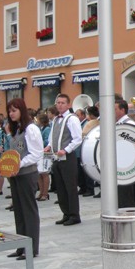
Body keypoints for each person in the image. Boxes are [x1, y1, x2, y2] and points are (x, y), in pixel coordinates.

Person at [5, 98, 44, 260]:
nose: (11, 114)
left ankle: (32, 247)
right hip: (16, 175)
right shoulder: (16, 130)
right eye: (9, 111)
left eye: (14, 110)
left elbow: (36, 153)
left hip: (27, 174)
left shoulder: (31, 129)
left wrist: (18, 164)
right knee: (19, 211)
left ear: (22, 110)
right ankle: (21, 245)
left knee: (29, 211)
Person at [46, 94, 83, 226]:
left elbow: (78, 138)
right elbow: (52, 136)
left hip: (68, 158)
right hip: (56, 158)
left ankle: (74, 215)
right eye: (58, 102)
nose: (60, 105)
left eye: (62, 103)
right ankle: (66, 213)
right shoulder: (56, 119)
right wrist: (49, 146)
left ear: (68, 105)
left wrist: (66, 150)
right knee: (60, 188)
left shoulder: (72, 119)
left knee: (70, 187)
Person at [115, 100, 135, 207]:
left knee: (126, 194)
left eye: (115, 109)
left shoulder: (129, 124)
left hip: (126, 164)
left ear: (123, 110)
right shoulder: (117, 123)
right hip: (119, 162)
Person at [35, 112, 51, 201]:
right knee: (39, 174)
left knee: (44, 174)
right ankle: (41, 192)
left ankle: (45, 193)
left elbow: (47, 141)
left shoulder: (47, 129)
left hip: (45, 153)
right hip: (40, 152)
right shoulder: (41, 129)